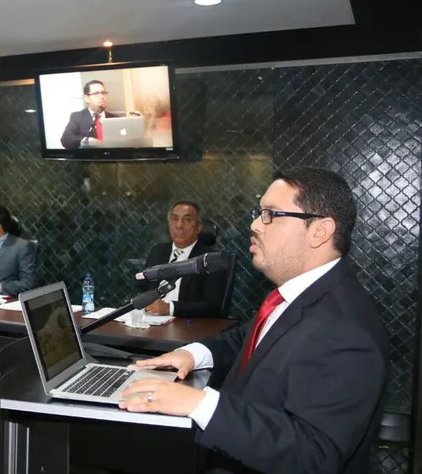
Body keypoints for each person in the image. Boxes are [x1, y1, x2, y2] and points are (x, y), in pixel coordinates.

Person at [120, 168, 388, 474]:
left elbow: (312, 455)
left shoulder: (344, 332)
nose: (255, 225)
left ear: (320, 231)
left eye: (271, 214)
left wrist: (199, 403)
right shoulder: (301, 294)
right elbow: (252, 336)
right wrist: (194, 354)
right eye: (260, 213)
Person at [137, 201, 229, 318]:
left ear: (199, 227)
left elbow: (213, 306)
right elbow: (141, 285)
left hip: (188, 326)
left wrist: (170, 308)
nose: (179, 225)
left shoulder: (210, 260)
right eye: (174, 219)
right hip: (151, 321)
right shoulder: (158, 251)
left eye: (187, 220)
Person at [60, 80, 120, 149]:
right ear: (86, 98)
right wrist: (86, 140)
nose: (101, 96)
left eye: (103, 93)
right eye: (96, 93)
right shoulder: (77, 117)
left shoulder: (115, 119)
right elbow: (66, 139)